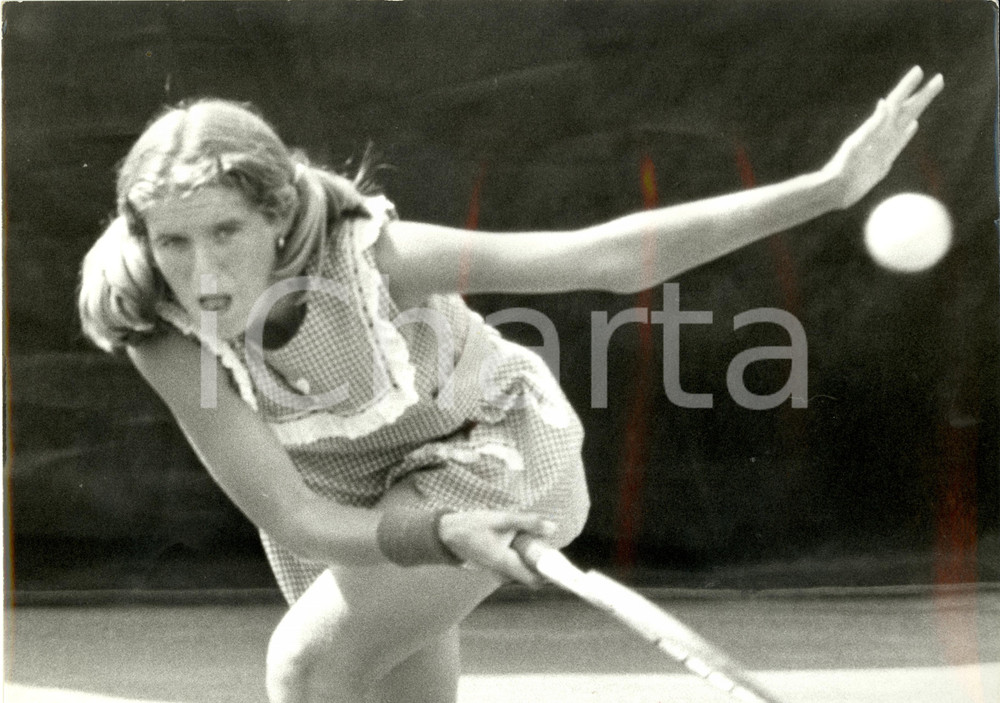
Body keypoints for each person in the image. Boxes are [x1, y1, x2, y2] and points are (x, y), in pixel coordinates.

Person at [77, 65, 942, 703]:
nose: (204, 274)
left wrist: (826, 191)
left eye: (225, 232)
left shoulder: (377, 259)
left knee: (308, 668)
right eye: (173, 242)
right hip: (356, 514)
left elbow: (606, 257)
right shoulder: (157, 324)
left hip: (496, 457)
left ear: (277, 217)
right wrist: (437, 531)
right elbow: (294, 514)